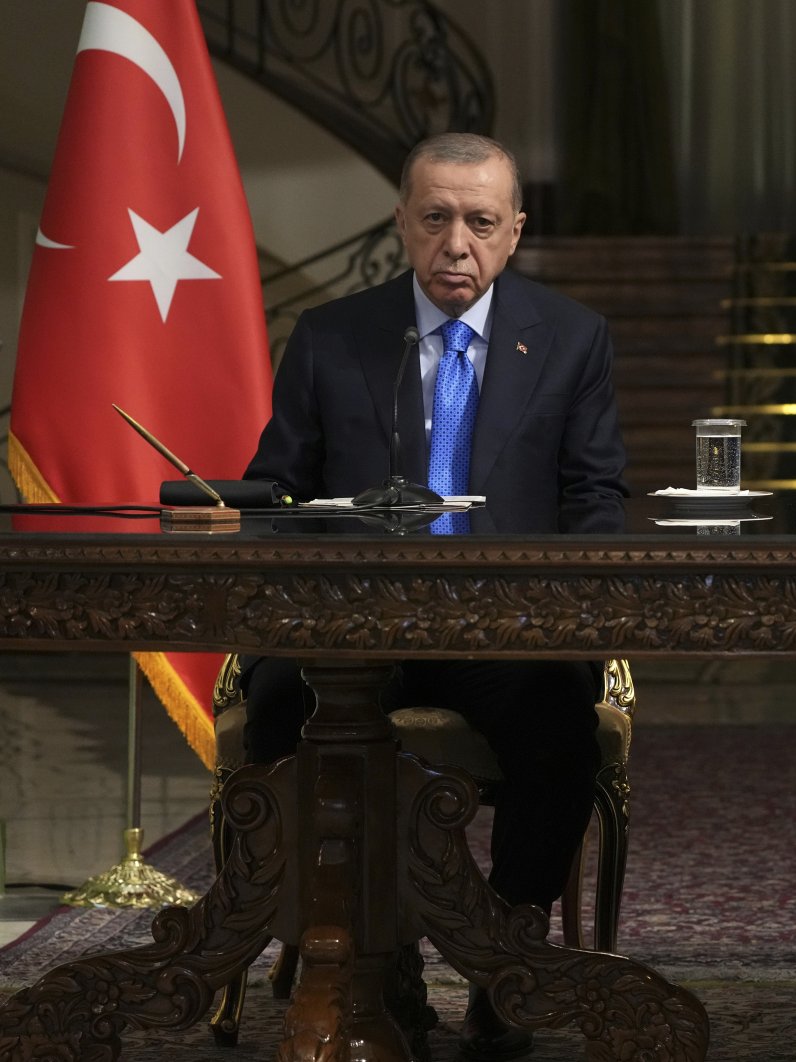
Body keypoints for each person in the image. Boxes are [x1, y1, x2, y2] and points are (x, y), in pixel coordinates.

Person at [242, 131, 627, 1062]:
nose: (458, 244)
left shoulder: (571, 336)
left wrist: (571, 608)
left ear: (515, 231)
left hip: (500, 627)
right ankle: (363, 949)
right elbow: (273, 493)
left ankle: (509, 953)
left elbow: (596, 497)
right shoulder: (332, 336)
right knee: (280, 707)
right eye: (436, 219)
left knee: (557, 720)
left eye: (481, 222)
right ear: (403, 223)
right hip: (351, 630)